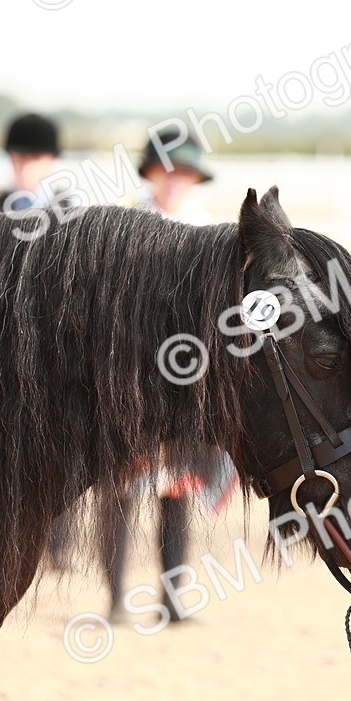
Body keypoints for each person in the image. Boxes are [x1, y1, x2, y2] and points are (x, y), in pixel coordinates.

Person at [103, 126, 236, 625]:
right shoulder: (126, 223)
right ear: (152, 172)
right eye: (170, 169)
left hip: (185, 378)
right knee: (121, 487)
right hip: (132, 373)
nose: (177, 180)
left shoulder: (207, 229)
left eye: (186, 171)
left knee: (178, 488)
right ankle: (114, 596)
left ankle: (173, 596)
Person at [0, 112, 68, 215]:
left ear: (53, 159)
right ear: (11, 157)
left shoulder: (75, 207)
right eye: (21, 157)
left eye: (36, 158)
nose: (27, 167)